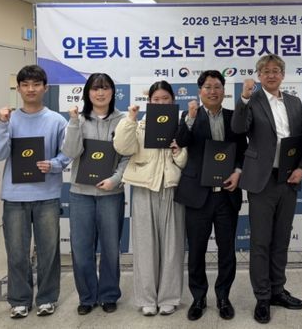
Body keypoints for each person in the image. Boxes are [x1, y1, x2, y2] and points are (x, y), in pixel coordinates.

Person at [230, 53, 302, 324]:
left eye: (276, 71)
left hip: (288, 179)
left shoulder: (294, 102)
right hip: (261, 180)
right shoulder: (252, 101)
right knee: (261, 241)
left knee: (281, 240)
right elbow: (238, 128)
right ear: (259, 75)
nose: (271, 75)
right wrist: (243, 98)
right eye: (266, 71)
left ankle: (278, 290)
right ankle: (262, 297)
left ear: (283, 75)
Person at [0, 64, 70, 319]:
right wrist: (2, 124)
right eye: (25, 85)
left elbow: (66, 154)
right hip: (15, 197)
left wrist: (53, 164)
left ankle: (47, 298)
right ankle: (20, 300)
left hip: (47, 196)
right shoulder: (9, 119)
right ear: (19, 89)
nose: (31, 89)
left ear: (45, 88)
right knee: (16, 253)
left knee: (49, 252)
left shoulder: (57, 120)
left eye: (36, 84)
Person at [174, 70, 247, 321]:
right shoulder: (189, 116)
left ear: (224, 91)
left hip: (227, 195)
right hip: (197, 195)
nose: (212, 91)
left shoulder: (233, 118)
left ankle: (223, 297)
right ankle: (199, 298)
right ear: (200, 91)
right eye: (207, 87)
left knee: (227, 250)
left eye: (217, 86)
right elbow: (181, 141)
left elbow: (243, 151)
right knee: (196, 250)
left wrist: (238, 172)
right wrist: (191, 118)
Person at [113, 80, 188, 316]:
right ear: (149, 102)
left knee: (172, 246)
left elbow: (185, 162)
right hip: (144, 188)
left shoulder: (181, 125)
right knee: (145, 245)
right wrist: (130, 119)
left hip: (172, 188)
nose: (161, 103)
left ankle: (169, 297)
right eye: (156, 99)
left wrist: (178, 151)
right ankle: (146, 299)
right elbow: (122, 148)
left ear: (173, 101)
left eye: (166, 99)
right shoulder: (139, 125)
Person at [61, 73, 129, 315]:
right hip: (81, 193)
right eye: (95, 88)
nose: (100, 93)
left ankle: (109, 294)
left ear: (113, 92)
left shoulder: (123, 120)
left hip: (111, 193)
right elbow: (71, 152)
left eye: (105, 88)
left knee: (110, 248)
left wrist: (115, 179)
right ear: (87, 93)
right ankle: (87, 297)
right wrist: (73, 121)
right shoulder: (78, 120)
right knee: (81, 248)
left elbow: (127, 157)